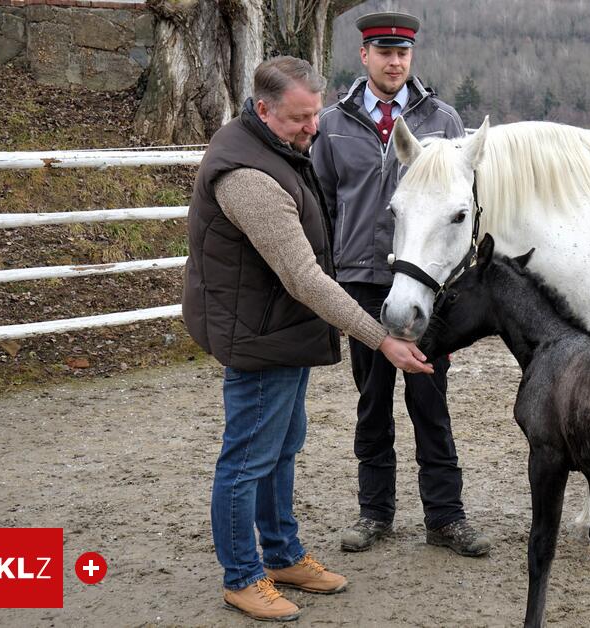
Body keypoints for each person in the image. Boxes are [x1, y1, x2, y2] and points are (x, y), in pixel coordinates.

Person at [183, 55, 434, 622]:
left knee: (282, 444)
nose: (313, 128)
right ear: (264, 108)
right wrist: (381, 339)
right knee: (248, 456)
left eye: (316, 114)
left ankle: (282, 553)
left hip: (280, 328)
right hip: (260, 332)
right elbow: (303, 278)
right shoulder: (248, 177)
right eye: (300, 117)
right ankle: (242, 576)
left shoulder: (275, 146)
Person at [311, 11, 492, 558]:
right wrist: (328, 274)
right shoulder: (333, 124)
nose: (394, 62)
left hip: (428, 285)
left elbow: (464, 203)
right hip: (363, 282)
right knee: (372, 402)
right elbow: (320, 203)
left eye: (403, 53)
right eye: (384, 52)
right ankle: (375, 513)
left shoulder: (444, 118)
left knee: (430, 400)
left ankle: (446, 517)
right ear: (363, 56)